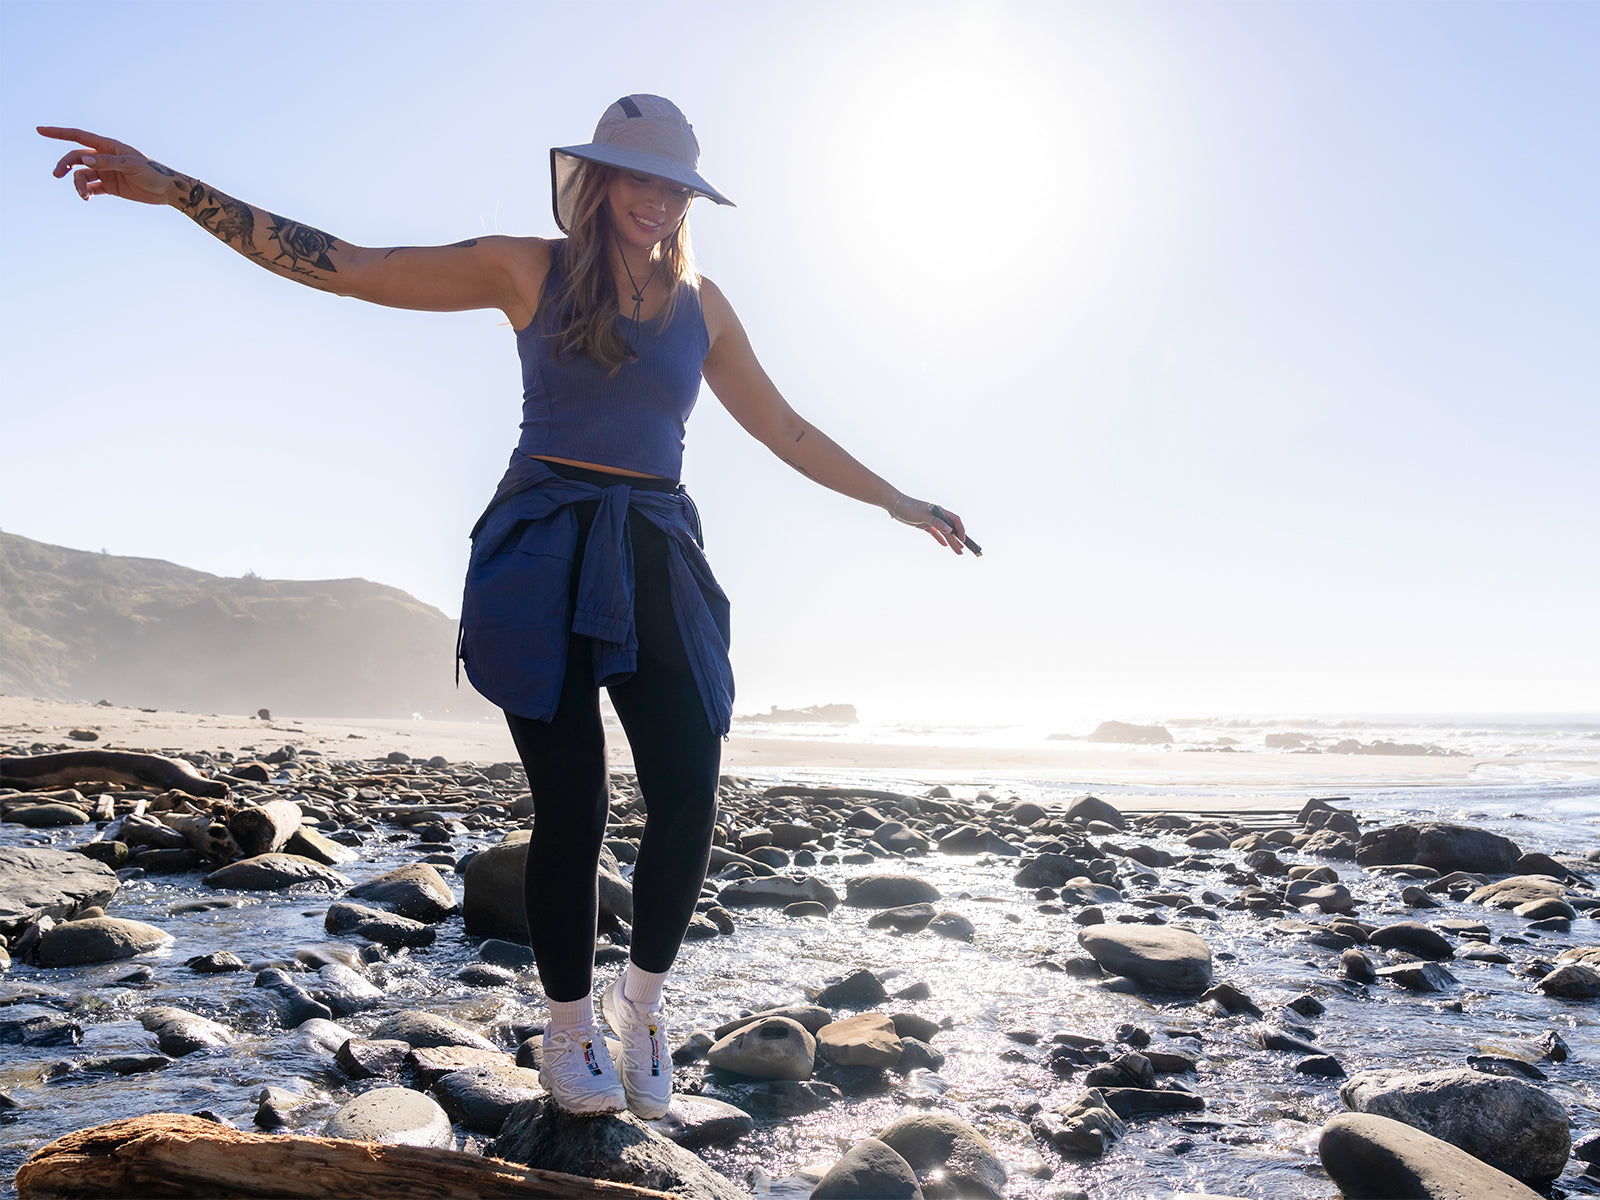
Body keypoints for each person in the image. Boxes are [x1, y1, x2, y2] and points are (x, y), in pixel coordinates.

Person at [41, 95, 973, 1118]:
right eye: (639, 177)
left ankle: (640, 1004)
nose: (658, 200)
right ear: (598, 179)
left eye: (676, 186)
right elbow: (347, 264)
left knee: (690, 787)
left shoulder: (702, 304)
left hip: (655, 550)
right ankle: (567, 1027)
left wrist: (897, 500)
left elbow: (785, 430)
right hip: (543, 547)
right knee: (573, 803)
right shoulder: (526, 268)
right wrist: (176, 189)